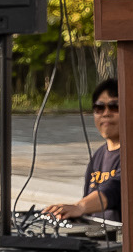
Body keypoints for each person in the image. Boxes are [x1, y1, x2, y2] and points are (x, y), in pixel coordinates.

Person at [49, 79, 125, 222]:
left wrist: (79, 207)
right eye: (99, 108)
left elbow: (115, 189)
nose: (106, 113)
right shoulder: (98, 156)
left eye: (114, 107)